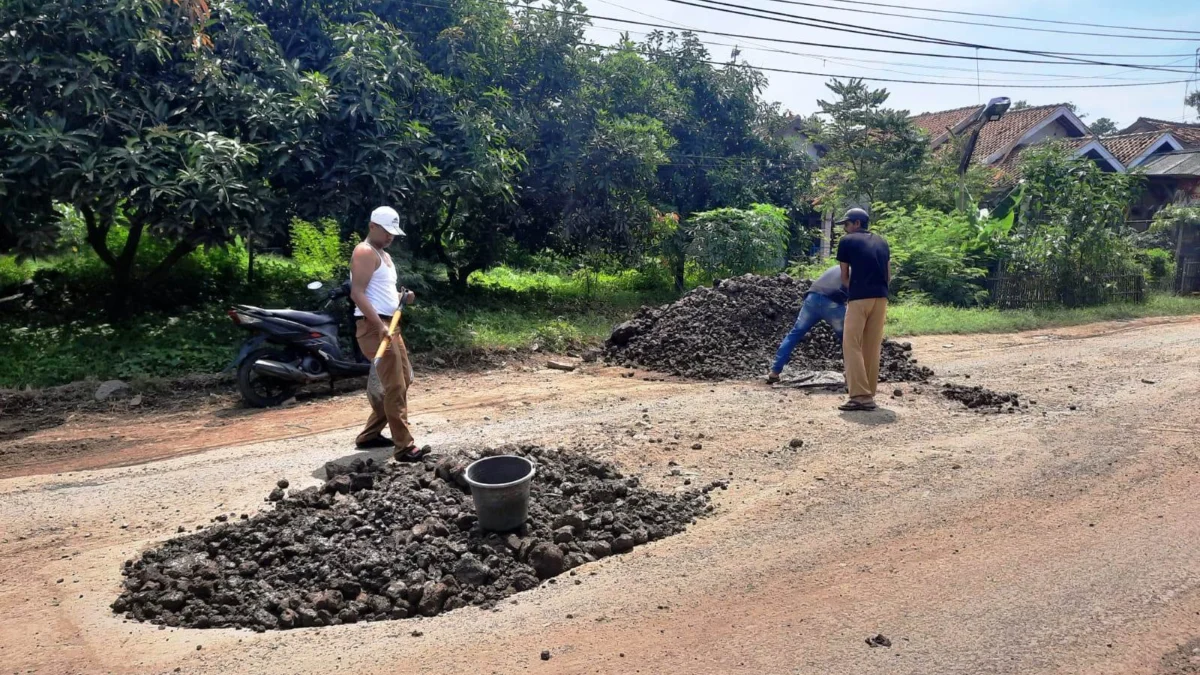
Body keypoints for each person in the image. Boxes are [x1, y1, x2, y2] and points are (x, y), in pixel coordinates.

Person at [349, 206, 426, 461]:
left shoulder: (384, 255)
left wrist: (404, 297)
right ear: (373, 226)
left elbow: (381, 292)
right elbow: (357, 293)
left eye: (394, 232)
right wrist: (380, 325)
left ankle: (369, 435)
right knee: (395, 385)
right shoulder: (364, 252)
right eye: (387, 231)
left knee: (404, 380)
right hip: (376, 327)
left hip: (390, 325)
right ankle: (404, 447)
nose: (391, 237)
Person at [834, 207, 890, 412]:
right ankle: (869, 393)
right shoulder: (882, 241)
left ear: (857, 223)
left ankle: (859, 395)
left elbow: (844, 276)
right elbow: (888, 274)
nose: (845, 229)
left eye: (846, 224)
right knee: (872, 345)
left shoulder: (847, 241)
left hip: (859, 298)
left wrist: (855, 288)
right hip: (881, 297)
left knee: (851, 343)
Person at [766, 265, 847, 384]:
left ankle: (774, 372)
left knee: (795, 334)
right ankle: (850, 375)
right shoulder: (854, 271)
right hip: (832, 304)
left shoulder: (836, 267)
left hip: (812, 298)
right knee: (848, 339)